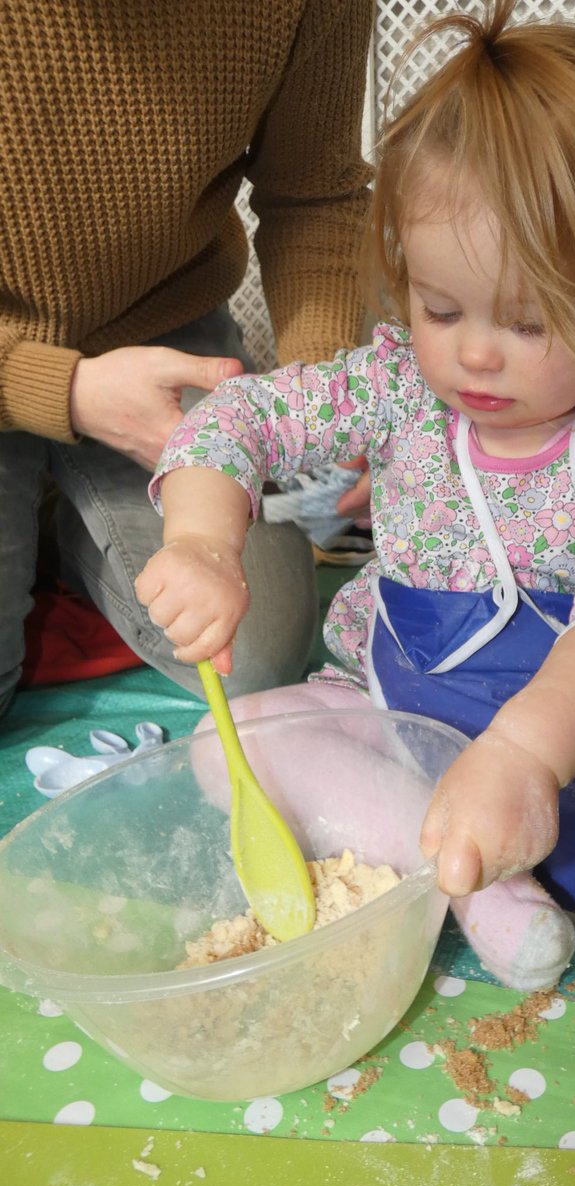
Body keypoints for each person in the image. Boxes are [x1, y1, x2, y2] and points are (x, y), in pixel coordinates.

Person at [136, 1, 575, 990]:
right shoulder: (397, 384)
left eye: (529, 321)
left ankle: (465, 841)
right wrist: (200, 537)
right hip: (398, 702)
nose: (475, 352)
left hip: (564, 720)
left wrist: (527, 756)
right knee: (222, 751)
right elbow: (235, 423)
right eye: (441, 307)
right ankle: (476, 885)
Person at [0, 0, 375, 718]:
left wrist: (323, 387)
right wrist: (64, 392)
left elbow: (315, 193)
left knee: (255, 658)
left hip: (164, 325)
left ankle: (69, 531)